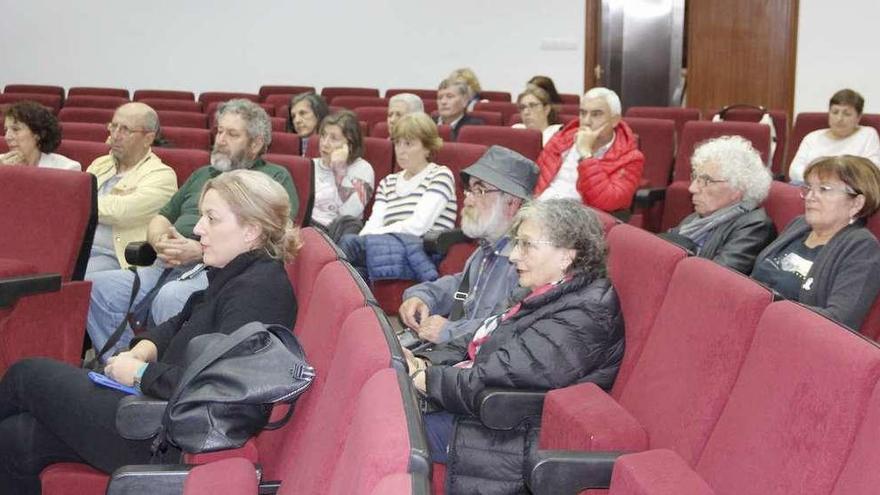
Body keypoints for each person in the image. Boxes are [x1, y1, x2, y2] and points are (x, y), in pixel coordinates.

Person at [0, 169, 302, 495]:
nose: (199, 229)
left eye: (211, 219)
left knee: (25, 374)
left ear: (251, 230)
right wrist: (144, 348)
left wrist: (141, 373)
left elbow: (214, 389)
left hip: (161, 433)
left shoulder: (259, 292)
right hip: (153, 413)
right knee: (17, 438)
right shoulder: (234, 273)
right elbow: (181, 323)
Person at [404, 199, 624, 493]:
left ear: (566, 256)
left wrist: (422, 378)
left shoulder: (584, 314)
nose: (513, 255)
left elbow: (500, 375)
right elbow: (476, 340)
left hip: (511, 428)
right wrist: (426, 362)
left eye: (526, 245)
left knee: (389, 427)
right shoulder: (544, 292)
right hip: (478, 405)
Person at [86, 99, 298, 359]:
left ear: (255, 144)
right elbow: (161, 218)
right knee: (96, 286)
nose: (220, 139)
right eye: (219, 131)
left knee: (172, 297)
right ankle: (119, 362)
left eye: (232, 134)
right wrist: (162, 242)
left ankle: (164, 376)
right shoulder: (202, 174)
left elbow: (272, 237)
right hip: (166, 262)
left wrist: (197, 250)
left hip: (218, 267)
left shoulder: (273, 178)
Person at [399, 145, 539, 344]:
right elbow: (463, 287)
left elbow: (511, 326)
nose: (468, 200)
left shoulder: (527, 261)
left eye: (480, 190)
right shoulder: (487, 248)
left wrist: (451, 330)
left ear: (512, 203)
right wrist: (424, 296)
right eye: (469, 190)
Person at [751, 155, 880, 330]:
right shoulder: (799, 224)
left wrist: (767, 311)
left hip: (793, 336)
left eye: (824, 189)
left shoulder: (862, 248)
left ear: (856, 203)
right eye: (809, 188)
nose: (810, 197)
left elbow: (838, 321)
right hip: (753, 320)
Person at [338, 112, 456, 282]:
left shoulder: (440, 175)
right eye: (398, 143)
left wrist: (369, 238)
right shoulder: (388, 181)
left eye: (408, 144)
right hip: (381, 248)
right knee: (352, 274)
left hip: (420, 252)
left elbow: (418, 226)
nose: (401, 150)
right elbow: (374, 222)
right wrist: (366, 238)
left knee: (348, 246)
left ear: (428, 147)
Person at [85, 102, 178, 275]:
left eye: (125, 129)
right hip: (78, 247)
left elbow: (119, 212)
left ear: (148, 138)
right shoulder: (100, 164)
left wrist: (81, 203)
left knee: (67, 280)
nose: (115, 135)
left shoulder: (162, 175)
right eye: (113, 126)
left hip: (113, 256)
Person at [664, 136, 775, 274]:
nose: (692, 188)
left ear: (737, 189)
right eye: (696, 178)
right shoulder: (697, 218)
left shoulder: (755, 227)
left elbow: (715, 279)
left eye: (706, 180)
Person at [535, 87, 645, 212]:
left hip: (580, 220)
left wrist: (586, 155)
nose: (586, 121)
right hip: (540, 209)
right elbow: (536, 180)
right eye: (583, 113)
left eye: (596, 114)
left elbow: (608, 202)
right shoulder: (561, 139)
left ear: (615, 120)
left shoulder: (630, 158)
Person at [788, 89, 880, 184]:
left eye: (847, 114)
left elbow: (872, 170)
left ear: (858, 117)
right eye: (835, 112)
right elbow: (794, 171)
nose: (839, 119)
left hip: (849, 189)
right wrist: (824, 183)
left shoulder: (867, 134)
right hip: (810, 186)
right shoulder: (812, 137)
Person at [310, 111, 375, 229]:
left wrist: (339, 172)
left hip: (339, 231)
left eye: (333, 138)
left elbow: (349, 214)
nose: (324, 143)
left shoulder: (364, 169)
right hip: (308, 226)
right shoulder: (311, 165)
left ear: (350, 145)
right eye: (323, 135)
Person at [1, 100, 80, 170]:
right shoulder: (1, 163)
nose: (7, 137)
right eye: (6, 130)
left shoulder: (66, 168)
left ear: (38, 134)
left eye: (16, 129)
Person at [287, 92, 330, 156]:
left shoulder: (331, 145)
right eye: (293, 116)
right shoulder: (288, 146)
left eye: (303, 113)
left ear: (318, 114)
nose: (297, 120)